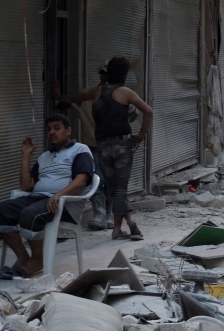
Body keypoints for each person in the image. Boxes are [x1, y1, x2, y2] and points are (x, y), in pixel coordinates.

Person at [58, 56, 153, 240]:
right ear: (124, 74)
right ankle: (119, 227)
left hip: (102, 146)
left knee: (113, 186)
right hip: (122, 145)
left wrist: (57, 95)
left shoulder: (97, 92)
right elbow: (148, 111)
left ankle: (127, 221)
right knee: (120, 187)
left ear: (108, 72)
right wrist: (141, 135)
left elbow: (73, 98)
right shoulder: (126, 92)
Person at [0, 114, 94, 278]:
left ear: (68, 131)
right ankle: (23, 257)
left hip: (64, 204)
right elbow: (26, 186)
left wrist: (58, 195)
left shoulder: (80, 150)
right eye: (48, 129)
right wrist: (26, 154)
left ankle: (37, 260)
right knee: (0, 211)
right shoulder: (44, 157)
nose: (52, 132)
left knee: (30, 214)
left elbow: (81, 181)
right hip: (38, 198)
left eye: (57, 128)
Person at [52, 65, 109, 230]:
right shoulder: (89, 95)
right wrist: (58, 95)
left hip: (111, 145)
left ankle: (106, 215)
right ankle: (101, 214)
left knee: (109, 181)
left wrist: (58, 96)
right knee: (99, 179)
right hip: (97, 144)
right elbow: (65, 103)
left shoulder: (117, 94)